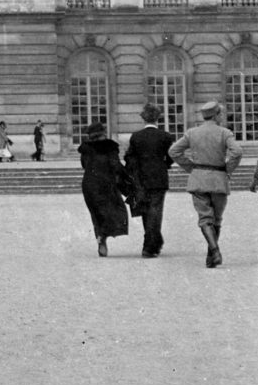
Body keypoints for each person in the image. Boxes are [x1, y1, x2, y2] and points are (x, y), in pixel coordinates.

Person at [169, 100, 243, 268]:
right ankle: (213, 253)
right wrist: (228, 169)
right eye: (221, 114)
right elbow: (237, 152)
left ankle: (214, 252)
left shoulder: (192, 133)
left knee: (204, 219)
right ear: (217, 115)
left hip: (198, 180)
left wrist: (191, 167)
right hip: (219, 179)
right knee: (217, 219)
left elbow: (173, 151)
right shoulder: (224, 133)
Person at [124, 103, 174, 258]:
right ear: (157, 118)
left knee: (146, 210)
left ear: (144, 119)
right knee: (156, 210)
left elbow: (129, 158)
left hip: (141, 179)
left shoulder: (136, 136)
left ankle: (153, 242)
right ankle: (151, 245)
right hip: (159, 177)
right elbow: (172, 155)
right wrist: (165, 165)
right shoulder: (165, 136)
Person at [79, 121, 131, 257]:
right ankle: (106, 234)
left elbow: (84, 165)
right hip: (106, 183)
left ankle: (101, 238)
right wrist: (127, 176)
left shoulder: (86, 147)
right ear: (103, 133)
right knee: (114, 211)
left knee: (96, 214)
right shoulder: (110, 146)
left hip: (89, 184)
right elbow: (116, 165)